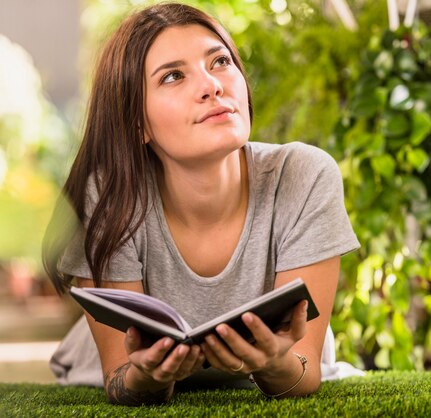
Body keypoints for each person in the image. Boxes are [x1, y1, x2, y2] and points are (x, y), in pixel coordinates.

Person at [42, 2, 359, 406]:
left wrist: (273, 363)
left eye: (221, 61)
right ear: (137, 121)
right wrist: (145, 377)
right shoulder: (110, 197)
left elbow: (303, 372)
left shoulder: (304, 175)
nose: (213, 85)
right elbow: (120, 379)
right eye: (173, 76)